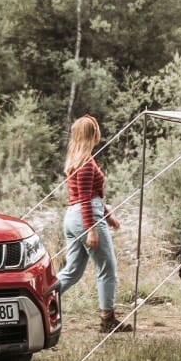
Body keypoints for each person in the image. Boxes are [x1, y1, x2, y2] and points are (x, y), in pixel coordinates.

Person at [52, 114, 132, 333]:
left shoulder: (76, 161)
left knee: (72, 271)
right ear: (93, 134)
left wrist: (108, 215)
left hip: (72, 217)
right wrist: (92, 230)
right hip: (85, 218)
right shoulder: (86, 164)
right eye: (97, 129)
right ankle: (108, 320)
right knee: (107, 268)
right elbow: (86, 200)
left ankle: (41, 297)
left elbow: (87, 196)